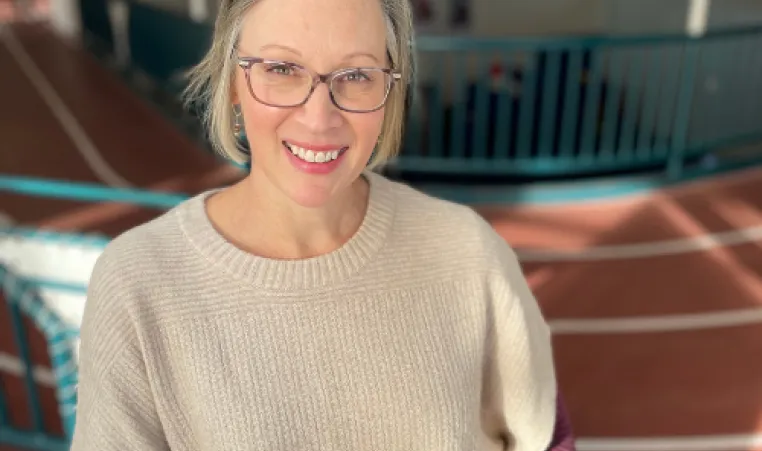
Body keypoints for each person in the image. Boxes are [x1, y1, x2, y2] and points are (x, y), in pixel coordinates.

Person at [69, 0, 566, 448]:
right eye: (282, 68)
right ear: (234, 82)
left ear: (390, 90)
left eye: (355, 75)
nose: (318, 117)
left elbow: (547, 436)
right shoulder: (139, 283)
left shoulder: (467, 249)